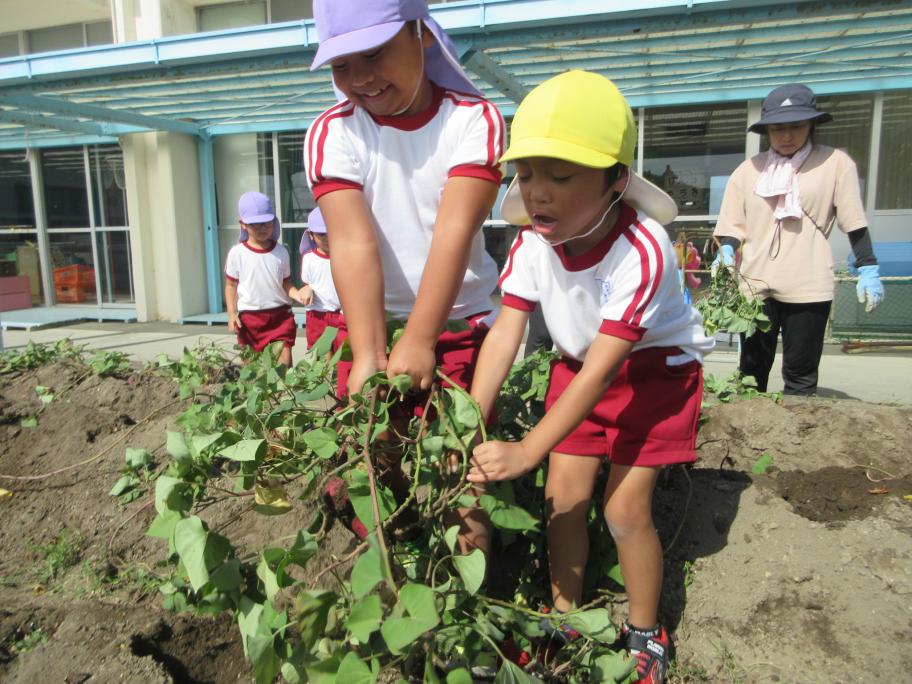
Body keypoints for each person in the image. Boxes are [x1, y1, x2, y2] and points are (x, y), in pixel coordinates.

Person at [465, 71, 715, 683]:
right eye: (526, 174)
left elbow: (608, 371)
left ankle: (645, 631)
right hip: (578, 368)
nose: (538, 192)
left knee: (624, 509)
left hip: (654, 374)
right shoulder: (531, 245)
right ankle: (564, 618)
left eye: (561, 175)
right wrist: (469, 414)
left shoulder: (645, 249)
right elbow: (507, 331)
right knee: (561, 502)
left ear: (616, 181)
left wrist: (527, 447)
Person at [304, 0, 504, 543]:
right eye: (341, 65)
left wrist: (419, 338)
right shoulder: (332, 132)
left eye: (374, 53)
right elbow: (349, 240)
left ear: (421, 35)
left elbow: (454, 232)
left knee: (458, 480)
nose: (361, 77)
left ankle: (468, 588)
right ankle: (395, 572)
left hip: (460, 325)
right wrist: (369, 354)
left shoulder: (473, 120)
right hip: (367, 324)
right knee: (375, 466)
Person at [712, 83, 884, 395]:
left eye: (796, 126)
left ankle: (797, 438)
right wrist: (726, 249)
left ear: (811, 125)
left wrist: (867, 264)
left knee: (801, 374)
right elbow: (732, 224)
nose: (786, 136)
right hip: (755, 283)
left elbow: (853, 221)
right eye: (778, 128)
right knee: (750, 371)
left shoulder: (834, 164)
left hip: (808, 283)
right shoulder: (749, 170)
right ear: (767, 131)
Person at [224, 191, 309, 366]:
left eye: (267, 223)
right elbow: (231, 285)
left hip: (280, 316)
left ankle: (283, 394)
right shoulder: (237, 253)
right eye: (256, 224)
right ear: (243, 224)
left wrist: (298, 294)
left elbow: (286, 283)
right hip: (249, 320)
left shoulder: (281, 252)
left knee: (283, 366)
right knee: (253, 372)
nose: (263, 228)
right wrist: (232, 314)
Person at [299, 207, 351, 394]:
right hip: (318, 313)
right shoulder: (309, 258)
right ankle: (324, 391)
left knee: (341, 354)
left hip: (341, 313)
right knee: (321, 354)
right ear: (311, 236)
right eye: (321, 234)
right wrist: (306, 289)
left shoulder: (345, 255)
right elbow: (307, 283)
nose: (327, 238)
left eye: (331, 232)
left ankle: (339, 390)